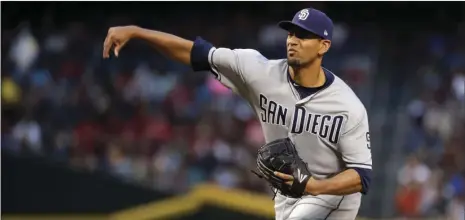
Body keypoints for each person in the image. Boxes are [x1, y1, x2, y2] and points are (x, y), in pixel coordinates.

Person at [103, 8, 372, 220]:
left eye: (303, 36)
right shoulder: (258, 71)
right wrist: (138, 32)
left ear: (323, 46)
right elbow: (195, 53)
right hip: (289, 196)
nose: (293, 41)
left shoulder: (347, 106)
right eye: (291, 34)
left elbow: (361, 176)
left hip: (333, 197)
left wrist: (314, 186)